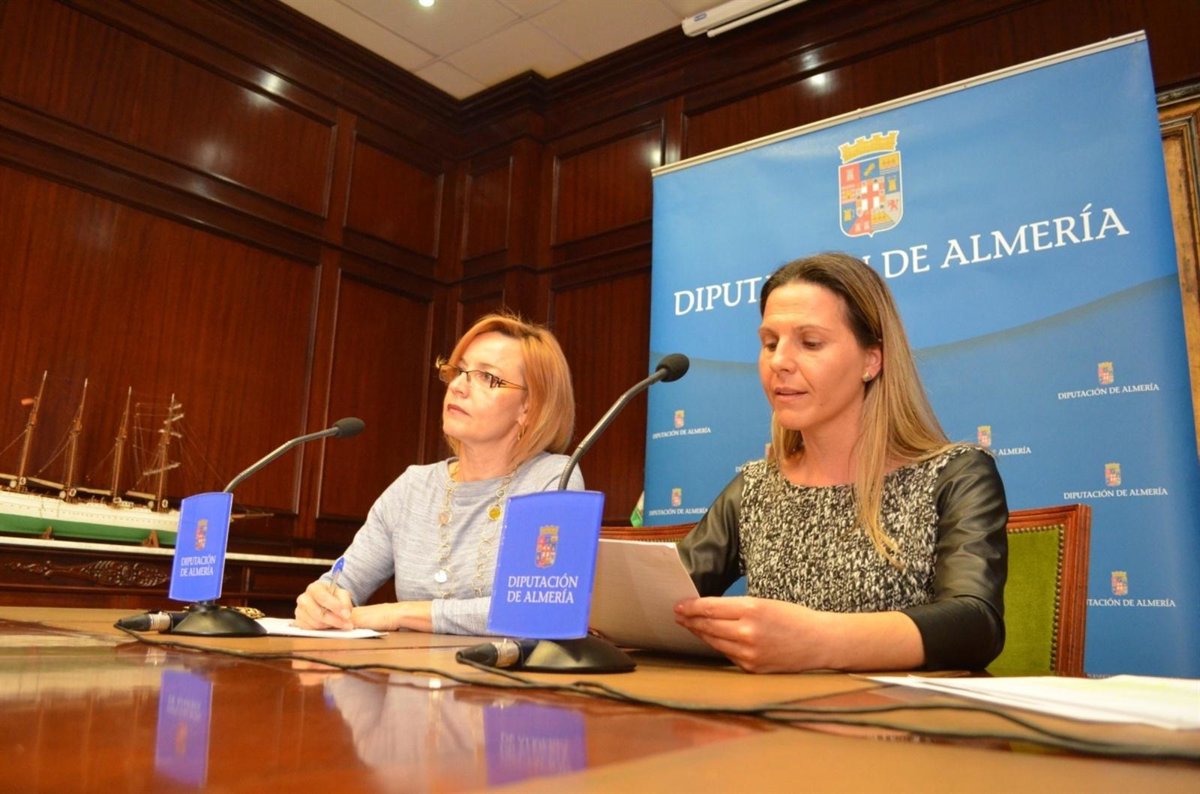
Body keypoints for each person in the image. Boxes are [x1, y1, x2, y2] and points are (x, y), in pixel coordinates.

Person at [674, 252, 1008, 673]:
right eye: (770, 343)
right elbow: (666, 599)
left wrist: (818, 641)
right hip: (770, 713)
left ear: (872, 359)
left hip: (899, 714)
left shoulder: (956, 475)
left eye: (810, 343)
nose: (779, 362)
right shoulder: (755, 487)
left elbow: (976, 625)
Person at [295, 313, 582, 635]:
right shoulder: (413, 487)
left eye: (487, 377)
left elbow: (539, 607)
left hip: (505, 668)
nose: (458, 386)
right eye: (458, 371)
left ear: (529, 407)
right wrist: (320, 602)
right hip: (409, 666)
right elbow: (342, 582)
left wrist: (399, 614)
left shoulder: (552, 481)